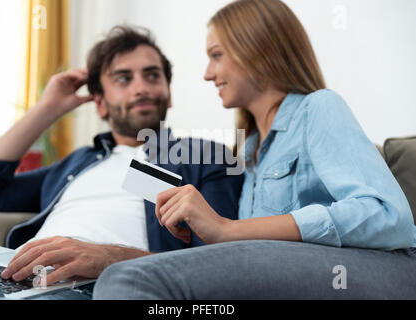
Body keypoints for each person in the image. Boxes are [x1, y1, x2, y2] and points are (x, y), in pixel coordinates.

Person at [92, 0, 416, 300]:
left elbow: (389, 216)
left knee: (128, 280)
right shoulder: (247, 152)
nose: (208, 74)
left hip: (382, 269)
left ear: (257, 49)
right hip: (299, 273)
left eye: (216, 55)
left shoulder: (317, 108)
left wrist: (229, 229)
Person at [0, 26, 242, 299]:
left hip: (101, 285)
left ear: (168, 93)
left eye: (152, 75)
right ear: (99, 103)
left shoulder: (206, 157)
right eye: (123, 79)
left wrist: (110, 257)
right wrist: (46, 109)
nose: (141, 88)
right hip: (19, 279)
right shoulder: (79, 162)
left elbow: (215, 264)